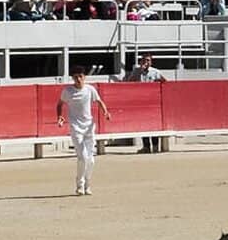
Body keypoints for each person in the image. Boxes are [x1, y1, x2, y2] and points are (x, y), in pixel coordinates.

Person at [55, 65, 112, 195]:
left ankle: (87, 184)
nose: (78, 79)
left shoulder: (90, 89)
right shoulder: (67, 91)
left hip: (89, 127)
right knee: (82, 157)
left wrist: (106, 112)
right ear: (72, 78)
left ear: (84, 77)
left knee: (91, 159)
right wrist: (59, 116)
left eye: (80, 76)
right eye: (76, 77)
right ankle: (80, 184)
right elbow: (59, 104)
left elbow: (99, 101)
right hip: (75, 127)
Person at [124, 52, 164, 153]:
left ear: (151, 62)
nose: (146, 62)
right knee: (144, 124)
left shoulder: (155, 72)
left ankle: (155, 146)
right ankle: (146, 146)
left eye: (148, 60)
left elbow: (165, 83)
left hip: (153, 102)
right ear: (141, 61)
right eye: (144, 60)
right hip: (141, 102)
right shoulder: (137, 71)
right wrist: (139, 72)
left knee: (154, 125)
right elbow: (129, 83)